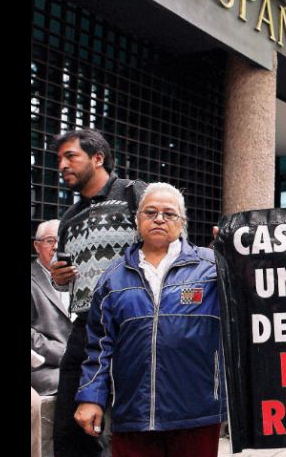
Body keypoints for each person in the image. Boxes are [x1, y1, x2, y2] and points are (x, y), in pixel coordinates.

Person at [74, 182, 227, 457]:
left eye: (169, 213)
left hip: (197, 413)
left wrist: (236, 257)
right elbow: (98, 346)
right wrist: (90, 397)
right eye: (150, 212)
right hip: (133, 413)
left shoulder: (212, 268)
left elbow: (254, 294)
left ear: (182, 222)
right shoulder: (113, 278)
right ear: (137, 219)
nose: (159, 219)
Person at [50, 128, 147, 457]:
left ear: (98, 158)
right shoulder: (68, 217)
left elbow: (169, 246)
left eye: (70, 156)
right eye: (59, 159)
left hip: (131, 323)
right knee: (68, 430)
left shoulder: (134, 194)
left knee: (126, 430)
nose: (62, 165)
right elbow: (62, 281)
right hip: (84, 327)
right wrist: (58, 277)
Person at [32, 219, 74, 396]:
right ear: (37, 246)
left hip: (80, 360)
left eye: (61, 241)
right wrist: (65, 355)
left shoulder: (79, 277)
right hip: (45, 366)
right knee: (76, 382)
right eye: (50, 241)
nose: (56, 247)